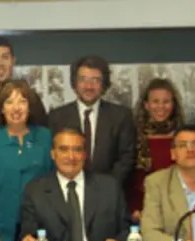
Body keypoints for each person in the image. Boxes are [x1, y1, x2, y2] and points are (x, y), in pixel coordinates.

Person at [19, 129, 130, 241]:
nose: (71, 157)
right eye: (64, 149)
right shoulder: (36, 190)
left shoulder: (109, 187)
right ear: (53, 154)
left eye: (77, 150)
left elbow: (127, 231)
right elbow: (28, 234)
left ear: (84, 155)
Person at [0, 80, 53, 241]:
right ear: (2, 108)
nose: (16, 108)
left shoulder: (45, 137)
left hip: (39, 232)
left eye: (22, 101)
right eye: (9, 102)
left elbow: (52, 184)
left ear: (30, 107)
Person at [48, 55, 136, 185]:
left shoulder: (121, 116)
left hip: (109, 193)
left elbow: (126, 159)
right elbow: (53, 158)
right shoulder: (56, 117)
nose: (89, 86)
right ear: (75, 82)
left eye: (95, 80)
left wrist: (105, 188)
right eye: (83, 79)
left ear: (104, 84)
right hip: (68, 193)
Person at [127, 78, 185, 221]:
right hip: (143, 208)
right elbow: (130, 178)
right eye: (155, 101)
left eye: (166, 101)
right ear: (146, 105)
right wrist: (134, 208)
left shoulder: (183, 135)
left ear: (173, 105)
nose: (161, 107)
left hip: (178, 206)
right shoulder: (134, 135)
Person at [0, 37, 48, 133]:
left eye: (5, 57)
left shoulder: (30, 98)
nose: (0, 64)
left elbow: (41, 137)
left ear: (13, 61)